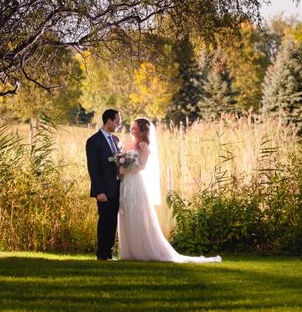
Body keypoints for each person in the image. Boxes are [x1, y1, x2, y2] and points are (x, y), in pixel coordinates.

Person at [118, 117, 221, 263]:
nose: (132, 130)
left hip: (135, 184)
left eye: (135, 128)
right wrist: (120, 166)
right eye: (132, 127)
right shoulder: (127, 144)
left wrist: (126, 168)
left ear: (142, 131)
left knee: (136, 214)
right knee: (125, 214)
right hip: (125, 184)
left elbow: (142, 167)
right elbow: (121, 159)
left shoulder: (143, 145)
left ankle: (142, 250)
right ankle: (128, 252)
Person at [86, 109, 121, 261]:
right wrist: (99, 191)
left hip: (117, 188)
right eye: (117, 121)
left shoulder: (116, 139)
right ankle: (101, 254)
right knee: (104, 221)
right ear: (109, 121)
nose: (119, 124)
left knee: (113, 222)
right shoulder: (94, 141)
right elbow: (93, 169)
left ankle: (109, 253)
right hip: (104, 190)